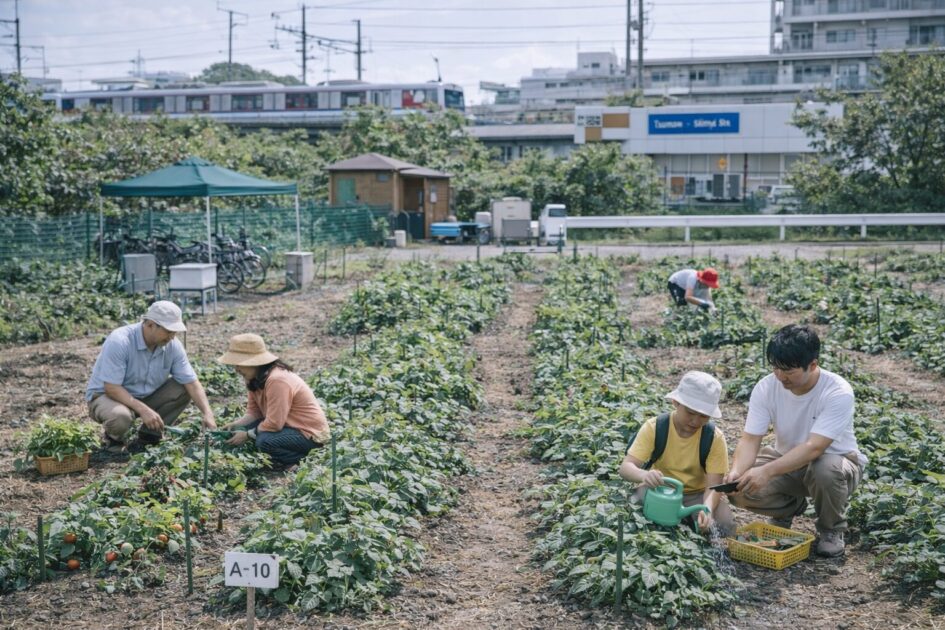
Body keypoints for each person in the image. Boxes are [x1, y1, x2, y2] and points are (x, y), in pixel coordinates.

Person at [724, 324, 866, 557]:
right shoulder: (767, 386)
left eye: (789, 371)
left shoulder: (837, 391)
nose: (780, 377)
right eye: (776, 368)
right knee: (739, 487)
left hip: (835, 463)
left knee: (825, 468)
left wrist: (767, 472)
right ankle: (788, 507)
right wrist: (737, 471)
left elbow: (814, 447)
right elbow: (750, 438)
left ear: (812, 365)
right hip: (786, 460)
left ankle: (831, 529)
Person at [86, 301, 215, 451]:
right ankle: (114, 438)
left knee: (184, 387)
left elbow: (191, 382)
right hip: (107, 397)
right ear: (150, 325)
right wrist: (144, 410)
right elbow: (111, 388)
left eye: (175, 332)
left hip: (145, 396)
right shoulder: (120, 341)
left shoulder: (172, 345)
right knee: (121, 417)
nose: (172, 337)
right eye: (168, 331)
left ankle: (149, 436)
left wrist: (207, 413)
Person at [619, 371, 735, 537]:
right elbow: (626, 467)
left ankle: (687, 524)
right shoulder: (655, 427)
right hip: (659, 490)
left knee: (724, 524)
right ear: (675, 402)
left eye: (703, 416)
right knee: (633, 509)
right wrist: (644, 475)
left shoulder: (714, 438)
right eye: (690, 412)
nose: (695, 421)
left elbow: (714, 487)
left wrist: (707, 509)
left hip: (696, 496)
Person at [219, 333, 330, 468]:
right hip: (288, 427)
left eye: (239, 364)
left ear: (254, 361)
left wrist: (248, 435)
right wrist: (236, 425)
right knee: (245, 429)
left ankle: (305, 460)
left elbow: (275, 423)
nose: (236, 369)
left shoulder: (277, 380)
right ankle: (280, 455)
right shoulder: (254, 378)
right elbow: (254, 413)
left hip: (309, 434)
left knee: (264, 441)